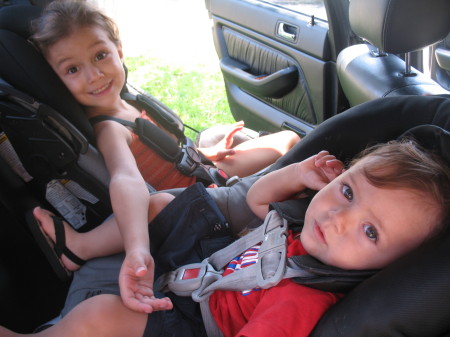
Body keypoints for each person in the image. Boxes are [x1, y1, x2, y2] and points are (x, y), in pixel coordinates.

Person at [4, 138, 449, 337]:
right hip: (211, 267)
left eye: (370, 231)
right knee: (159, 204)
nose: (338, 218)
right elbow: (257, 201)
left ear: (389, 266)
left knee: (98, 316)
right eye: (348, 191)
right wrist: (297, 173)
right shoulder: (308, 230)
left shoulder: (303, 299)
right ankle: (78, 251)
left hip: (201, 322)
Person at [28, 0, 300, 284]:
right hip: (195, 203)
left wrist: (206, 154)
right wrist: (136, 247)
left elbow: (167, 154)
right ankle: (80, 247)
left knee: (288, 140)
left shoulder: (127, 103)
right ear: (58, 82)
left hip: (204, 173)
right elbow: (126, 178)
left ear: (118, 51)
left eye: (100, 55)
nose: (94, 75)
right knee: (154, 206)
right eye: (73, 70)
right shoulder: (110, 129)